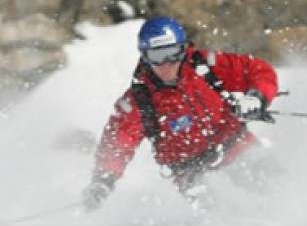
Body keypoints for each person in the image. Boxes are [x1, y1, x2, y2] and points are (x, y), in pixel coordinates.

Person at [82, 16, 280, 211]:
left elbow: (257, 70)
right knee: (216, 216)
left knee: (276, 185)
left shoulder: (205, 66)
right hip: (190, 170)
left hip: (235, 145)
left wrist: (257, 97)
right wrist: (103, 180)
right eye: (157, 57)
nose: (167, 64)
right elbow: (119, 141)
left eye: (173, 53)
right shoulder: (139, 100)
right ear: (145, 57)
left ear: (183, 49)